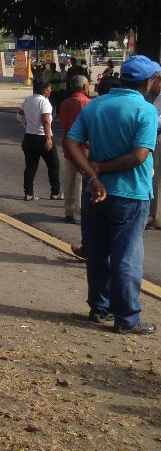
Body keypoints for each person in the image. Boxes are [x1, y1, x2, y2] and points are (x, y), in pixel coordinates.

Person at [65, 55, 160, 336]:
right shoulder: (145, 110)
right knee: (126, 257)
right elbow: (140, 155)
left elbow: (71, 141)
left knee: (97, 252)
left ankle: (99, 307)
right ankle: (127, 318)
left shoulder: (96, 105)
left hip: (95, 192)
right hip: (131, 194)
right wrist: (100, 169)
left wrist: (92, 174)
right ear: (147, 82)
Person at [19, 77, 62, 201]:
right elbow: (46, 121)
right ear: (44, 90)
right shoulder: (44, 102)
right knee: (54, 164)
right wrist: (48, 139)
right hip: (42, 136)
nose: (50, 90)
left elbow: (20, 113)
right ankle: (55, 192)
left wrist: (29, 122)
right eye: (49, 88)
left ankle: (28, 193)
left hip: (29, 137)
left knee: (31, 166)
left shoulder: (28, 100)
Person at [60, 75, 92, 224]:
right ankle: (78, 214)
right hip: (83, 148)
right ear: (84, 87)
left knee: (69, 180)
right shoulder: (87, 103)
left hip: (68, 146)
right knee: (80, 181)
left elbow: (63, 123)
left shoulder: (65, 103)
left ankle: (68, 210)